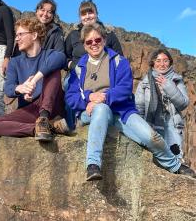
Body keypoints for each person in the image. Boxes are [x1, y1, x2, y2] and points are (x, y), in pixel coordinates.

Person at [65, 22, 195, 180]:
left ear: (104, 40)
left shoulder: (119, 61)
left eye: (97, 40)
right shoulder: (79, 68)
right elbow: (71, 96)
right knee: (101, 109)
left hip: (121, 111)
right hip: (91, 112)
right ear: (84, 45)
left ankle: (174, 165)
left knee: (150, 137)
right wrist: (89, 98)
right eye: (89, 42)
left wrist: (104, 97)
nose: (94, 44)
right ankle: (93, 164)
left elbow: (125, 88)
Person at [0, 17, 69, 140]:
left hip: (52, 107)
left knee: (53, 70)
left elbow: (60, 58)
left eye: (20, 34)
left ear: (34, 35)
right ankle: (43, 127)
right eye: (16, 35)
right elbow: (8, 89)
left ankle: (44, 118)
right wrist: (20, 88)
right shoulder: (14, 62)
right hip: (30, 109)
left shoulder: (50, 55)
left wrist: (34, 81)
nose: (17, 38)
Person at [64, 0, 124, 130]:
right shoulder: (73, 35)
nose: (87, 16)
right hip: (78, 74)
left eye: (90, 12)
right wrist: (70, 65)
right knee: (68, 84)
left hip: (103, 75)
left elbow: (120, 57)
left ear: (96, 13)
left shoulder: (108, 33)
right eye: (83, 14)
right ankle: (71, 125)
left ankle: (110, 117)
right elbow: (64, 55)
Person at [135, 49, 188, 161]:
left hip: (172, 124)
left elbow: (183, 104)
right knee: (154, 158)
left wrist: (168, 85)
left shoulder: (176, 80)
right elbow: (139, 108)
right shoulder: (145, 82)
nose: (162, 64)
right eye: (158, 61)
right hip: (151, 124)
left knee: (175, 157)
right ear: (153, 63)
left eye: (165, 61)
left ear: (170, 62)